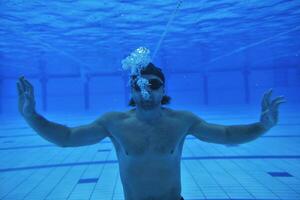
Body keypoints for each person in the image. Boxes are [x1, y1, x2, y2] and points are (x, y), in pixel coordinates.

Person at [17, 63, 286, 200]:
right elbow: (66, 138)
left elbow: (226, 135)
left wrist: (262, 126)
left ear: (163, 89)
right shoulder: (114, 122)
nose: (147, 91)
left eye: (153, 85)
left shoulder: (182, 121)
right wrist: (31, 115)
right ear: (132, 90)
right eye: (140, 85)